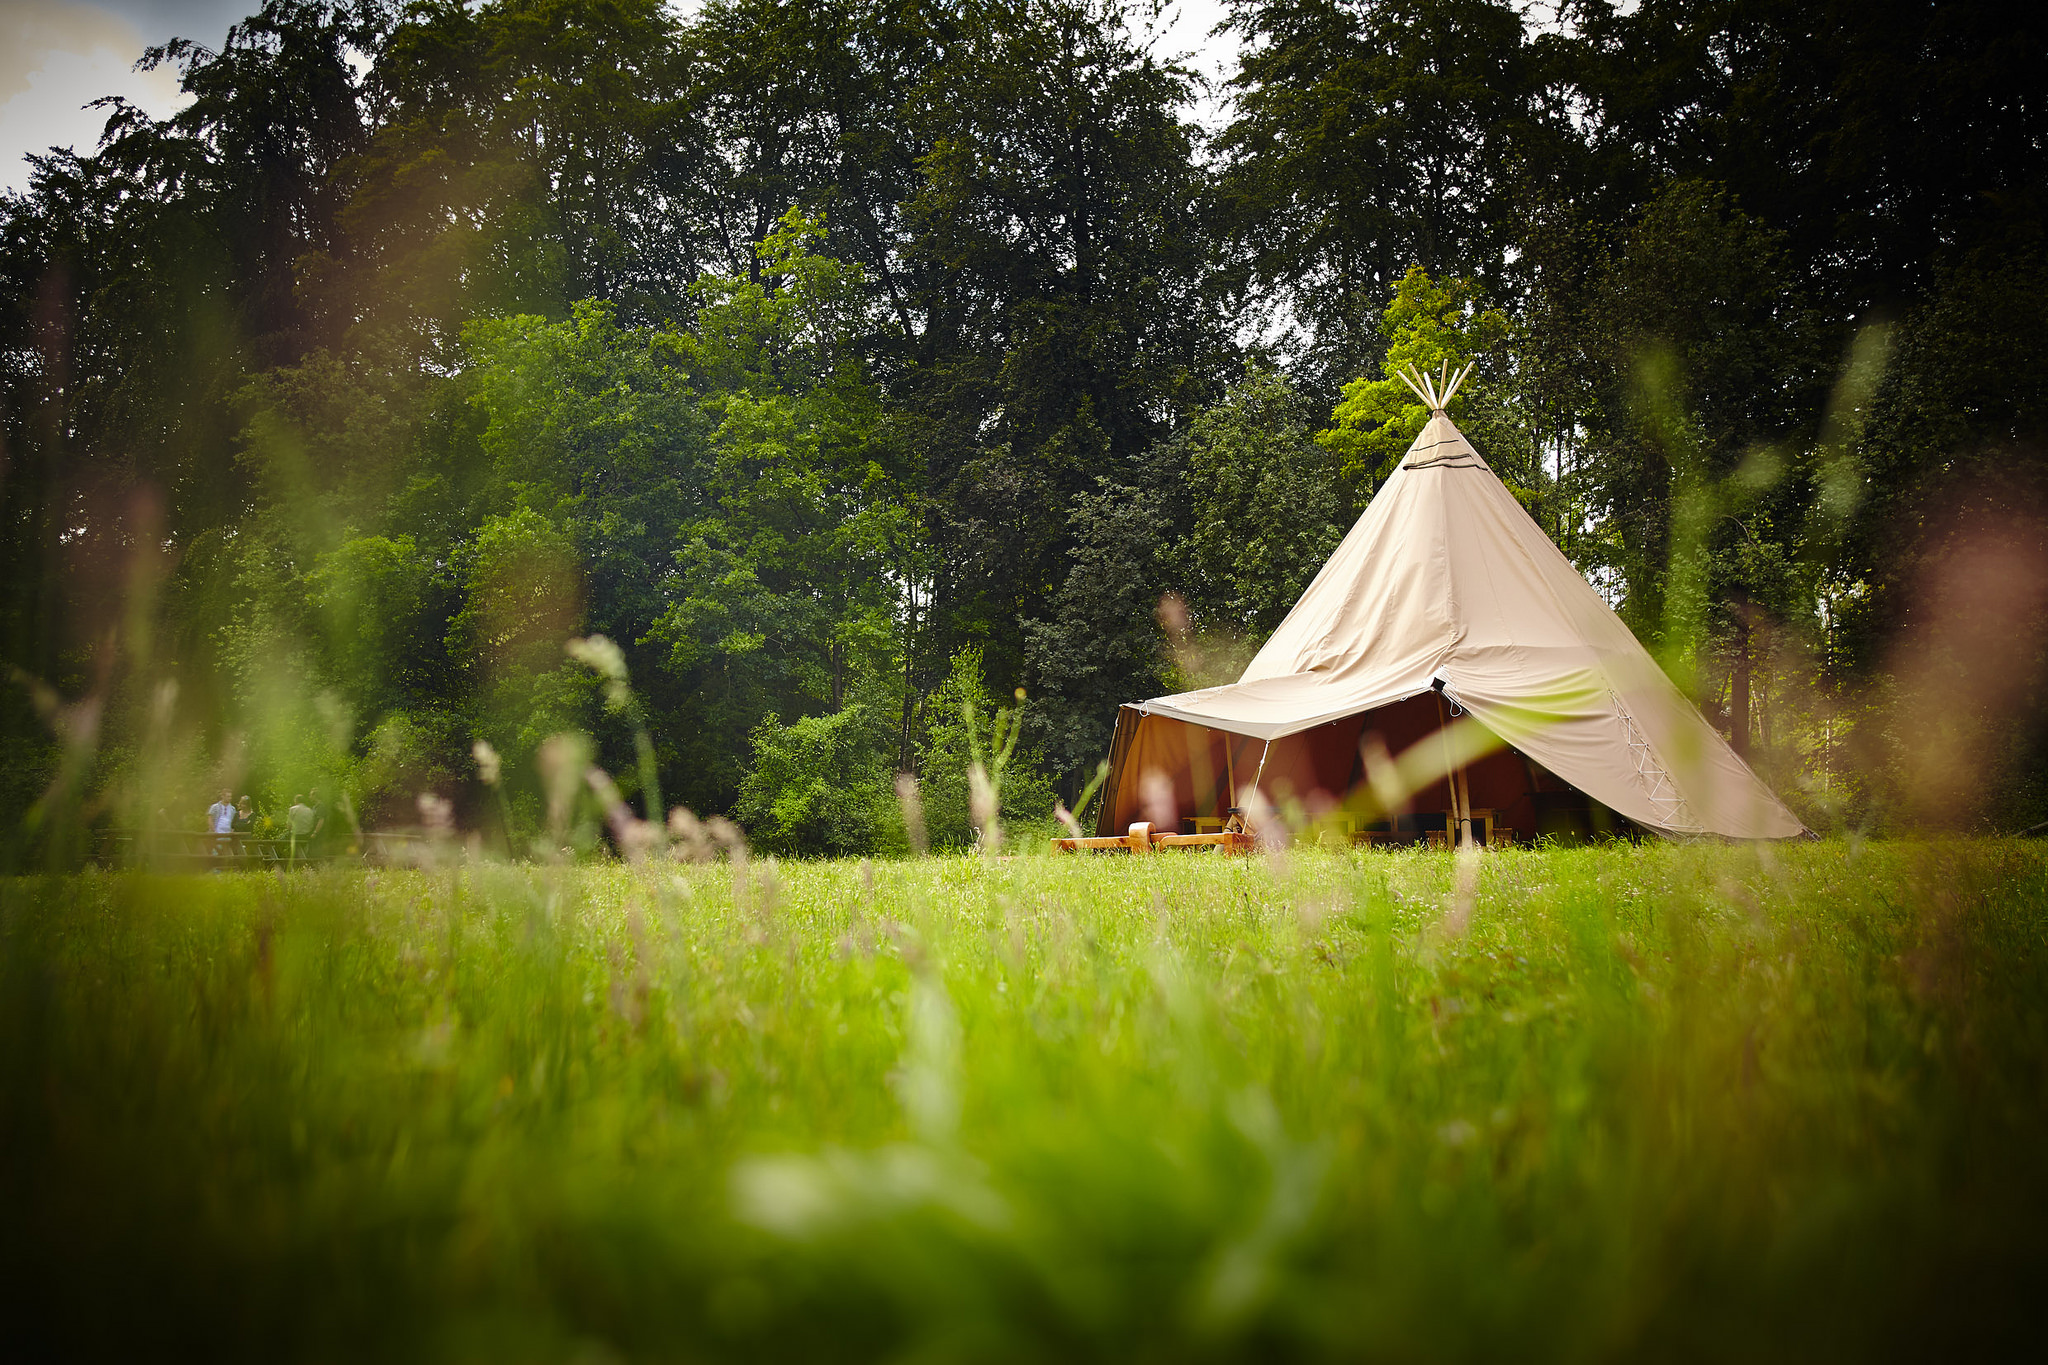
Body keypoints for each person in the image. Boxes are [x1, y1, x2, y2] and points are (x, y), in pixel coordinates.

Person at [288, 794, 316, 862]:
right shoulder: (310, 810)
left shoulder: (292, 809)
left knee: (281, 839)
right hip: (306, 835)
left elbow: (289, 826)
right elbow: (312, 824)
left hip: (295, 835)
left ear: (296, 801)